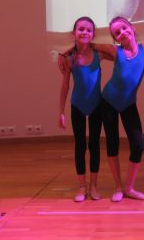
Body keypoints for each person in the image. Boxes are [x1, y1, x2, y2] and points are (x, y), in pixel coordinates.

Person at [96, 17, 144, 202]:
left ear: (132, 28)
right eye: (117, 33)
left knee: (138, 145)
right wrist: (66, 53)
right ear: (115, 39)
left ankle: (130, 188)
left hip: (128, 104)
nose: (122, 33)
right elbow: (90, 45)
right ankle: (118, 187)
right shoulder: (115, 51)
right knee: (112, 144)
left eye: (124, 28)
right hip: (108, 102)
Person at [58, 17, 112, 202]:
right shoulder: (69, 59)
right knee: (80, 146)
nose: (85, 32)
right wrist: (61, 112)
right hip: (77, 106)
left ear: (93, 34)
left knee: (94, 145)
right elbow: (65, 86)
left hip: (97, 105)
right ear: (74, 32)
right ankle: (82, 187)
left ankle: (93, 186)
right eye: (81, 29)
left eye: (89, 30)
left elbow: (114, 51)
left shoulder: (99, 54)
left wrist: (90, 45)